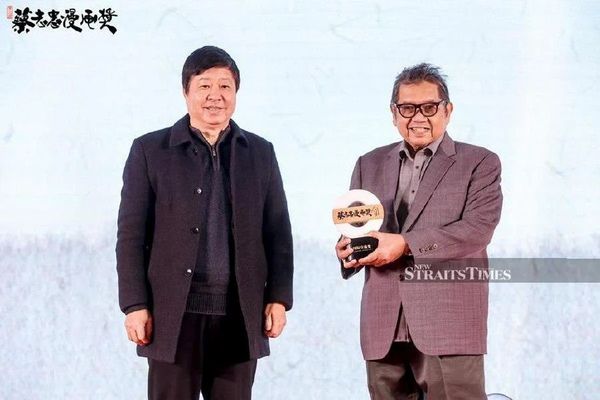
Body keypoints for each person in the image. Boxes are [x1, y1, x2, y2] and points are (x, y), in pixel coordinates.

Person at [116, 45, 294, 400]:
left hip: (238, 314)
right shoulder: (150, 151)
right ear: (186, 92)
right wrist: (134, 305)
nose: (216, 96)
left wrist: (278, 297)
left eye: (225, 87)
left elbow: (278, 232)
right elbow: (131, 236)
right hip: (172, 316)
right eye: (204, 86)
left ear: (236, 93)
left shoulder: (260, 152)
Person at [335, 63, 502, 399]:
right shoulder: (368, 163)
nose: (418, 118)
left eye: (429, 107)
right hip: (383, 324)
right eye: (408, 108)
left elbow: (476, 230)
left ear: (448, 110)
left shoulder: (479, 162)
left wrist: (405, 244)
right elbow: (357, 227)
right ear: (394, 113)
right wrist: (347, 250)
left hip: (449, 323)